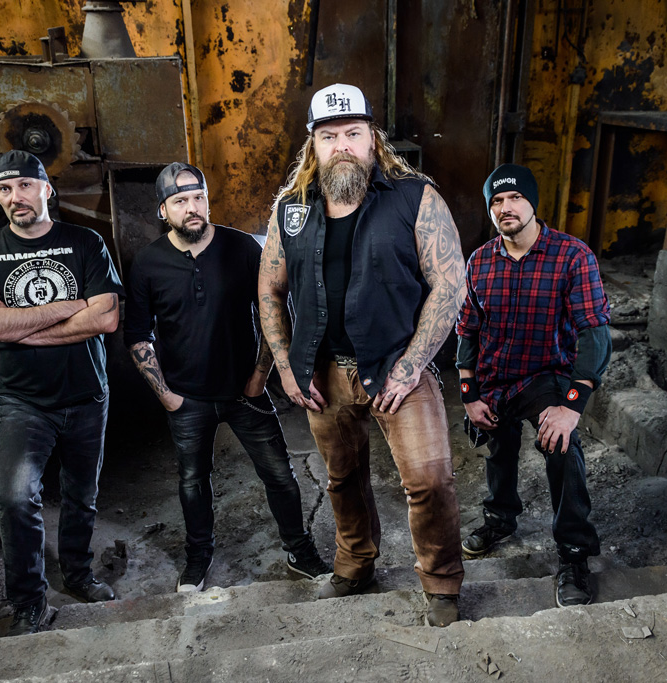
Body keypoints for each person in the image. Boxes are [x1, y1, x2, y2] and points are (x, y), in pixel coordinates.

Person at [258, 83, 467, 627]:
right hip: (322, 373)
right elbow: (270, 291)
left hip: (398, 368)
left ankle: (442, 585)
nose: (342, 146)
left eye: (353, 133)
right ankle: (355, 565)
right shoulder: (291, 210)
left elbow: (450, 285)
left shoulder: (415, 198)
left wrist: (411, 366)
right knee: (343, 479)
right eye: (329, 137)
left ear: (373, 138)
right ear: (313, 145)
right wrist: (286, 364)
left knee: (430, 481)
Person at [124, 162, 330, 593]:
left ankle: (300, 550)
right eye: (180, 201)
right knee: (193, 482)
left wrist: (259, 375)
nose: (192, 208)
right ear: (163, 211)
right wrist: (166, 396)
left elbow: (273, 312)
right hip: (186, 398)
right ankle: (198, 558)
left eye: (198, 197)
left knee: (280, 475)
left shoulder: (242, 248)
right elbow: (139, 335)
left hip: (245, 393)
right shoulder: (147, 263)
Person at [0, 150, 124, 636]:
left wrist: (16, 327)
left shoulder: (85, 242)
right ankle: (28, 600)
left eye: (25, 186)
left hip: (87, 394)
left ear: (46, 189)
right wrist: (72, 305)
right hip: (23, 400)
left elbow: (106, 317)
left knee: (81, 495)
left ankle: (78, 574)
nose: (16, 197)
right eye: (4, 189)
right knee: (15, 499)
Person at [456, 163, 611, 607]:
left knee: (562, 447)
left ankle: (574, 554)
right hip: (495, 378)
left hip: (545, 376)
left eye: (515, 198)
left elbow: (594, 332)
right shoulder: (480, 261)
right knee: (498, 449)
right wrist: (469, 395)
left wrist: (571, 406)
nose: (505, 207)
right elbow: (467, 330)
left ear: (532, 203)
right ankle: (500, 519)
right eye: (496, 201)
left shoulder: (572, 256)